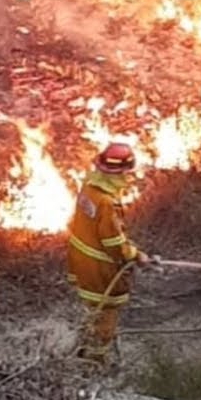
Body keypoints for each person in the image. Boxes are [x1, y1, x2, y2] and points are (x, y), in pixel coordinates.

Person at [65, 141, 151, 364]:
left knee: (93, 311)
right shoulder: (106, 202)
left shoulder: (89, 187)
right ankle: (93, 365)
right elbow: (112, 241)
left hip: (80, 259)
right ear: (123, 171)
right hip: (100, 269)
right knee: (106, 315)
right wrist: (134, 254)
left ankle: (83, 349)